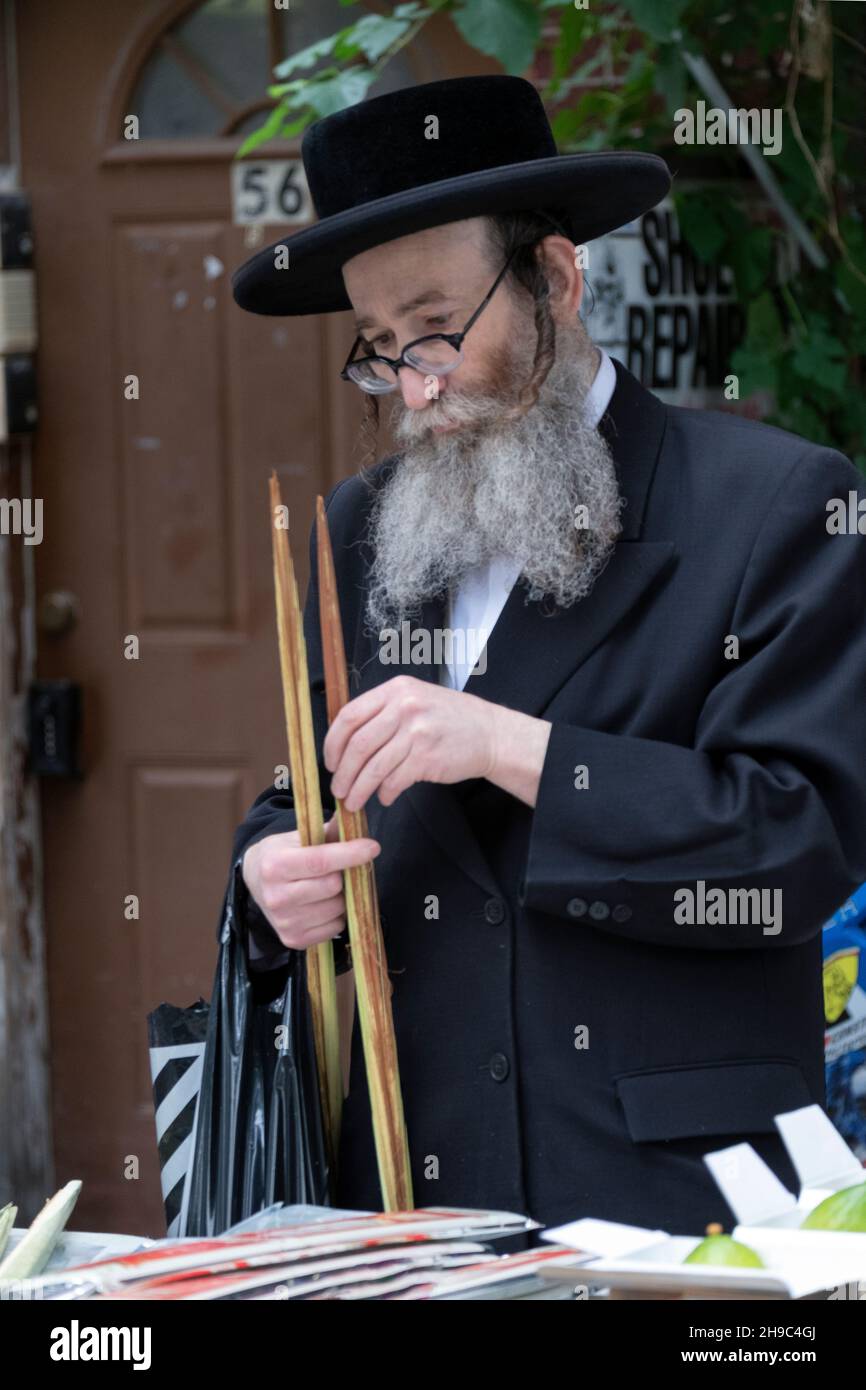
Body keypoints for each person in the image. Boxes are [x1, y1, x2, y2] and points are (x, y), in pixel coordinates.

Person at [228, 74, 866, 1233]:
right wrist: (269, 878)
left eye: (435, 327)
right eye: (378, 348)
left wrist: (515, 747)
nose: (414, 388)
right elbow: (298, 794)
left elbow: (795, 842)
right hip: (408, 1205)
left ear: (556, 281)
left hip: (673, 1203)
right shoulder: (354, 529)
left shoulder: (774, 506)